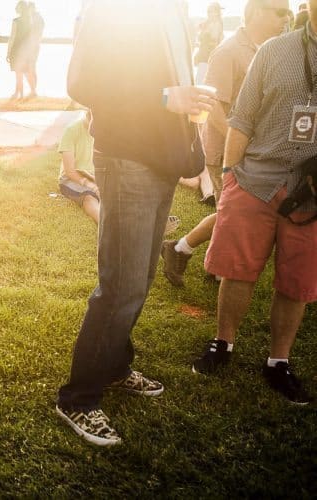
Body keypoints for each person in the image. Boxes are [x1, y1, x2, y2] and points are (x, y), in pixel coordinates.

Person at [54, 0, 215, 446]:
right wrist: (166, 97)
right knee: (121, 284)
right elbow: (82, 82)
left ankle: (115, 366)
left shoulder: (177, 11)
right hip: (127, 158)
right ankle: (78, 398)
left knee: (139, 278)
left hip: (163, 159)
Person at [191, 0, 314, 406]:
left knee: (296, 283)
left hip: (311, 193)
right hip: (256, 178)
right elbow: (240, 118)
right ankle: (223, 343)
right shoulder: (274, 50)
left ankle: (278, 361)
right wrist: (229, 178)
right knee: (236, 270)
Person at [162, 0, 290, 288]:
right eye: (280, 12)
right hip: (226, 149)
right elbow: (215, 107)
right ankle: (185, 251)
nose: (287, 18)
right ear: (257, 12)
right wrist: (239, 142)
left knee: (229, 212)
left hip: (252, 150)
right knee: (230, 213)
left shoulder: (268, 49)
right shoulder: (229, 51)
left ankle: (187, 251)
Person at [194, 2, 225, 84]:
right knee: (200, 79)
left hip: (210, 54)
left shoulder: (218, 24)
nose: (212, 14)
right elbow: (199, 37)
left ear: (218, 13)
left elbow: (216, 39)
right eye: (210, 12)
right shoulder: (207, 23)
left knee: (204, 80)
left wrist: (205, 33)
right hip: (204, 54)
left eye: (214, 12)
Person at [6, 1, 31, 101]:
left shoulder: (16, 21)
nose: (16, 8)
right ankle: (19, 93)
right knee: (22, 72)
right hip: (26, 50)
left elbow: (12, 37)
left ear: (20, 8)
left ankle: (19, 94)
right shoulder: (30, 21)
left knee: (18, 73)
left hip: (16, 49)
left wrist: (8, 52)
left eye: (17, 6)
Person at [25, 2, 44, 98]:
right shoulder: (33, 18)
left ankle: (33, 90)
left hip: (34, 46)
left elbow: (37, 32)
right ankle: (33, 89)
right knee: (29, 68)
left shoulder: (37, 18)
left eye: (30, 8)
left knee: (31, 68)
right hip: (31, 46)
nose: (29, 10)